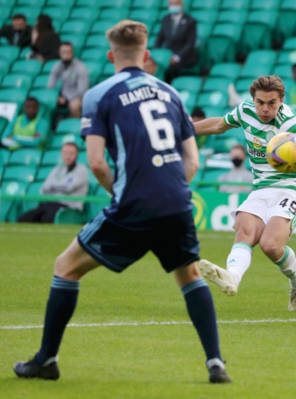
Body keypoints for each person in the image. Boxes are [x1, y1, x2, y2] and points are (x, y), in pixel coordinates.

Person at [13, 20, 231, 384]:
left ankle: (46, 359)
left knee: (66, 266)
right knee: (189, 274)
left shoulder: (99, 95)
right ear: (146, 56)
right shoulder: (171, 93)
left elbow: (96, 162)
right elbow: (191, 161)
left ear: (111, 55)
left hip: (133, 203)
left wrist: (123, 193)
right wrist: (171, 191)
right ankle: (216, 363)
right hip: (177, 201)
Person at [193, 75, 296, 311]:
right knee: (245, 229)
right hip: (261, 187)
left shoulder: (291, 122)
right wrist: (185, 129)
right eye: (260, 102)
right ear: (253, 100)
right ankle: (232, 278)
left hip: (291, 188)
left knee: (270, 245)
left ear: (281, 101)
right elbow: (219, 124)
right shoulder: (245, 111)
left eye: (272, 103)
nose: (265, 109)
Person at [17, 141, 88, 223]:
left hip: (69, 208)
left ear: (77, 154)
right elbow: (44, 188)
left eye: (71, 153)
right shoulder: (57, 169)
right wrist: (60, 186)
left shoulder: (82, 169)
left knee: (47, 217)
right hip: (50, 204)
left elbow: (69, 188)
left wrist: (53, 187)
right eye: (65, 153)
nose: (68, 156)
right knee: (25, 218)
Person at [154, 0, 197, 82]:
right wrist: (156, 54)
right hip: (168, 56)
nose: (173, 6)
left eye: (176, 3)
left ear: (181, 4)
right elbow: (159, 39)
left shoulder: (190, 21)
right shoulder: (165, 19)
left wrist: (177, 57)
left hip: (184, 57)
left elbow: (190, 44)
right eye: (171, 4)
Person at [47, 42, 90, 118]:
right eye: (63, 52)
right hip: (63, 97)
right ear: (59, 53)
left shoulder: (80, 67)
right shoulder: (57, 65)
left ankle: (74, 127)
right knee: (46, 101)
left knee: (74, 105)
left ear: (73, 53)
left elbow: (82, 90)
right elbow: (50, 85)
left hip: (78, 98)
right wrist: (57, 97)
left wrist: (66, 99)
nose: (66, 54)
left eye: (68, 52)